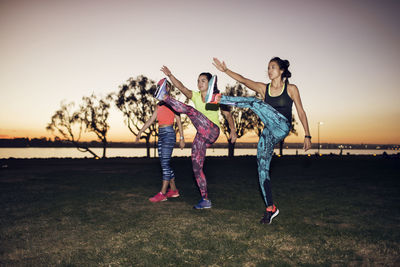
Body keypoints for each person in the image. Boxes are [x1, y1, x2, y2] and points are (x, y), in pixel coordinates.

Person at [210, 57, 311, 224]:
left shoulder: (291, 88)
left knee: (254, 102)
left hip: (282, 126)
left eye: (273, 67)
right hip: (269, 131)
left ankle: (217, 98)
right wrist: (226, 71)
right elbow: (243, 80)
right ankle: (271, 208)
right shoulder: (264, 88)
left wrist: (307, 134)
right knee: (262, 169)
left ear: (281, 71)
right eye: (268, 68)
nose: (269, 70)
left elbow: (301, 111)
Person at [155, 67, 237, 209]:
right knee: (196, 168)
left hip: (212, 130)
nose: (199, 83)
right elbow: (181, 87)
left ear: (210, 83)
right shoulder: (196, 95)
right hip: (201, 135)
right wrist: (170, 75)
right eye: (198, 81)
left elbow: (228, 115)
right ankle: (205, 199)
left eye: (203, 81)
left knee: (191, 110)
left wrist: (233, 131)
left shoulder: (216, 98)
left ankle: (164, 97)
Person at [136, 78, 185, 203]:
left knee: (164, 164)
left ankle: (163, 193)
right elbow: (151, 120)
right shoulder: (159, 105)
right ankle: (173, 190)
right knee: (165, 163)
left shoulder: (172, 102)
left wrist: (181, 138)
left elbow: (178, 120)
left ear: (167, 88)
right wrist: (140, 132)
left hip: (169, 133)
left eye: (162, 86)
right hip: (161, 133)